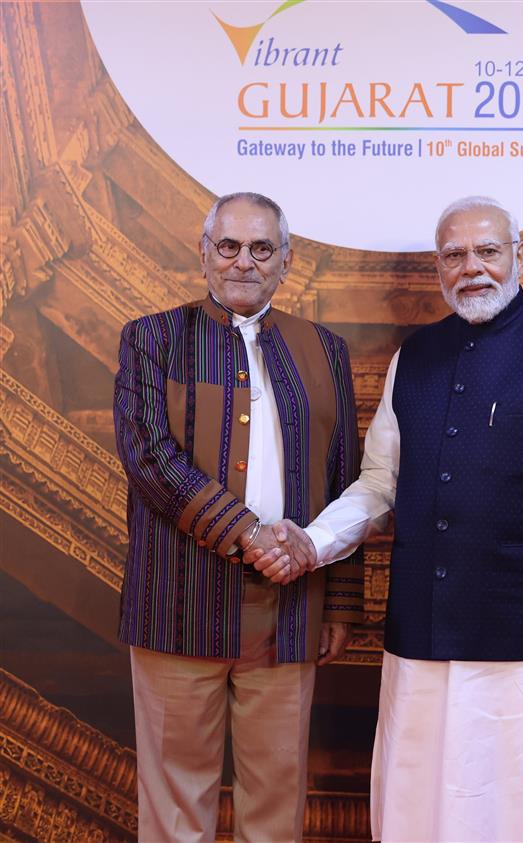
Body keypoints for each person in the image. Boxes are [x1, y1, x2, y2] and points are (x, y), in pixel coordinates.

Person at [301, 196, 523, 842]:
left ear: (520, 257)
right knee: (416, 816)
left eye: (488, 251)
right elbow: (379, 485)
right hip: (421, 648)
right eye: (455, 255)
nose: (472, 268)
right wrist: (310, 544)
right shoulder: (415, 357)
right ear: (438, 266)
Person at [113, 192, 364, 843]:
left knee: (276, 808)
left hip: (290, 612)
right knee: (174, 809)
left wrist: (338, 601)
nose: (243, 261)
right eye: (229, 246)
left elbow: (346, 476)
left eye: (261, 248)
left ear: (286, 259)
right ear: (204, 252)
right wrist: (249, 533)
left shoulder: (327, 350)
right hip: (177, 603)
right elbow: (149, 458)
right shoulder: (152, 339)